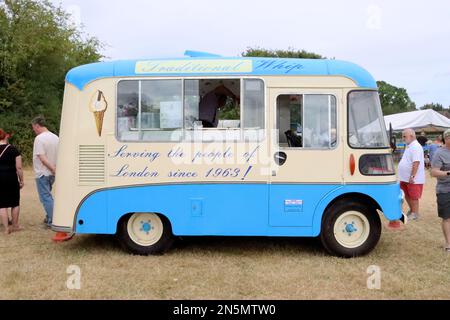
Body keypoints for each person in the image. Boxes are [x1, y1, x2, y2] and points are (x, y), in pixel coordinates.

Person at [31, 116, 59, 228]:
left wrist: (52, 168)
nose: (33, 130)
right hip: (52, 174)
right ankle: (49, 217)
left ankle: (53, 220)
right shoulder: (55, 137)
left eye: (33, 128)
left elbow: (42, 157)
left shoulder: (39, 139)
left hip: (43, 173)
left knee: (46, 198)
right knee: (48, 196)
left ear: (37, 126)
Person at [398, 129, 425, 221]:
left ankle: (415, 213)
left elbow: (416, 162)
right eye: (403, 136)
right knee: (406, 194)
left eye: (405, 136)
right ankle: (412, 210)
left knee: (413, 196)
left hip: (414, 178)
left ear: (412, 136)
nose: (403, 138)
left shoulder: (416, 146)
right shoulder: (409, 146)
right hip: (404, 177)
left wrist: (412, 176)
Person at [0, 129, 24, 234]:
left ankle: (6, 229)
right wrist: (21, 180)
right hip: (11, 178)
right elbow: (18, 167)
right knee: (15, 202)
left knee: (2, 205)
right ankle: (15, 226)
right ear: (5, 136)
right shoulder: (13, 149)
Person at [431, 129, 450, 252]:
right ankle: (448, 243)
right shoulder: (439, 153)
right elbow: (433, 172)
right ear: (447, 138)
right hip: (445, 190)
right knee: (447, 217)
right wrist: (448, 173)